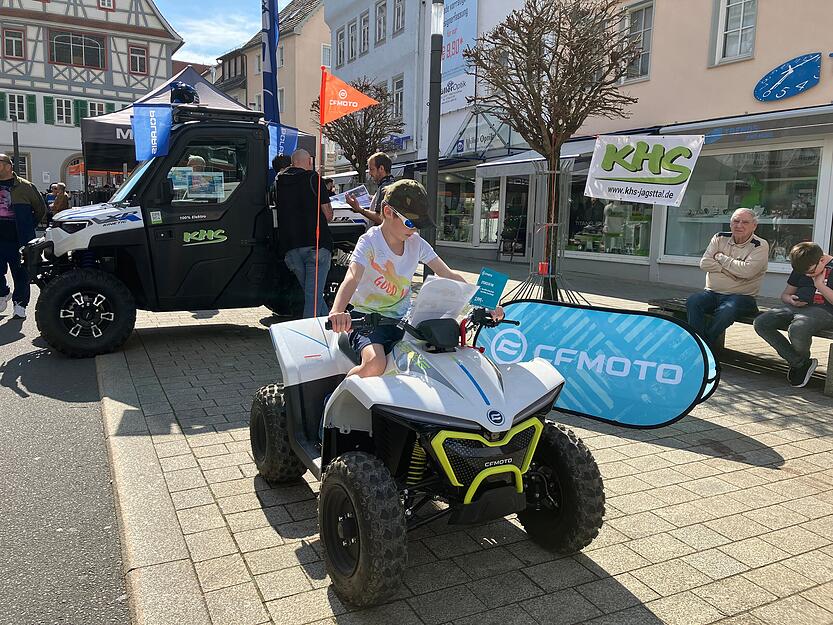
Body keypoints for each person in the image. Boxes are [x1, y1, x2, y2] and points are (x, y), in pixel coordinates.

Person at [328, 179, 504, 379]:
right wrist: (337, 311)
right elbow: (352, 276)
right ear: (388, 212)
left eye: (418, 225)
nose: (414, 231)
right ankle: (337, 396)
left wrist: (487, 303)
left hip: (402, 322)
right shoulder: (370, 241)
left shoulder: (416, 243)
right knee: (375, 365)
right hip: (367, 320)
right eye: (410, 223)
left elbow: (449, 274)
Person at [754, 242, 833, 388]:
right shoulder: (802, 266)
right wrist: (790, 299)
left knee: (798, 328)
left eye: (810, 272)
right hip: (796, 307)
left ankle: (799, 365)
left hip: (825, 311)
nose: (807, 275)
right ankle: (800, 363)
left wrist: (820, 285)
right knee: (761, 323)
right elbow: (785, 294)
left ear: (822, 260)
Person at [686, 208, 769, 348]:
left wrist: (720, 257)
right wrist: (731, 271)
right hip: (712, 292)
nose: (739, 225)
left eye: (745, 222)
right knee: (693, 302)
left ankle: (703, 346)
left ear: (754, 226)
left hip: (742, 297)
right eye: (736, 221)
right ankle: (699, 343)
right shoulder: (719, 237)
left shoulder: (760, 245)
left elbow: (747, 272)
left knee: (727, 310)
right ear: (730, 224)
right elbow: (704, 263)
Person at [276, 148, 334, 318]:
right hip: (316, 245)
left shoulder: (278, 181)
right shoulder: (312, 178)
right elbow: (328, 214)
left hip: (290, 247)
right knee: (313, 297)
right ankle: (311, 337)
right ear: (308, 162)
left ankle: (330, 330)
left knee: (312, 295)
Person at [0, 153, 47, 319]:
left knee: (20, 272)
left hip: (19, 238)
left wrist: (29, 227)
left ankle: (20, 304)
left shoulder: (25, 186)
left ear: (8, 165)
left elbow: (41, 209)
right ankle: (3, 293)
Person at [345, 151, 394, 226]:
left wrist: (359, 209)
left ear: (381, 168)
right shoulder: (390, 184)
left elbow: (381, 219)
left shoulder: (385, 187)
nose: (370, 173)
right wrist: (374, 199)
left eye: (371, 169)